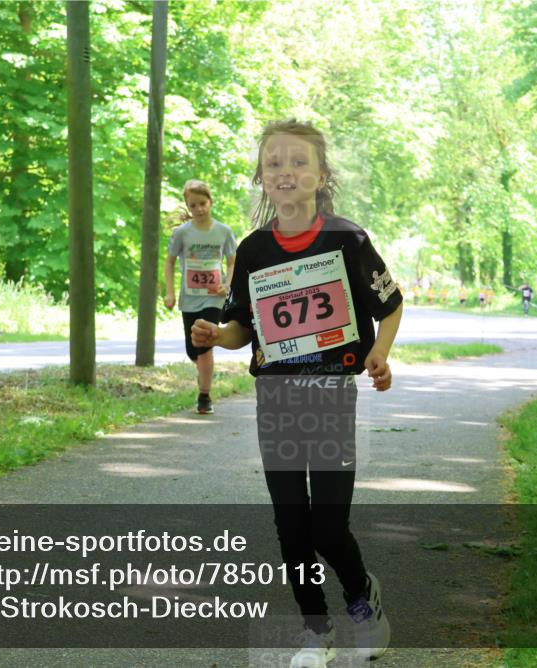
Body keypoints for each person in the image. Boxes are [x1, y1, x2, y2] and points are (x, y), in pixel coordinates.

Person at [191, 119, 402, 668]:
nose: (285, 171)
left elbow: (391, 302)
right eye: (274, 163)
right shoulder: (255, 249)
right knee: (291, 525)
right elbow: (243, 328)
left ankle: (360, 596)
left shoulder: (348, 239)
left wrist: (379, 352)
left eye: (298, 162)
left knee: (328, 527)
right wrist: (218, 334)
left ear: (320, 175)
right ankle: (316, 629)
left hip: (331, 398)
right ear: (262, 177)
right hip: (278, 403)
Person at [163, 179, 237, 414]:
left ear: (210, 202)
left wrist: (227, 284)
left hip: (214, 296)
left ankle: (204, 396)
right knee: (192, 349)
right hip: (190, 296)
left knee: (204, 340)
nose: (199, 209)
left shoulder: (223, 231)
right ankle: (205, 371)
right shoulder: (182, 233)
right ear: (188, 206)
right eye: (193, 205)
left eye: (203, 203)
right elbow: (169, 261)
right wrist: (170, 292)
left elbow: (232, 261)